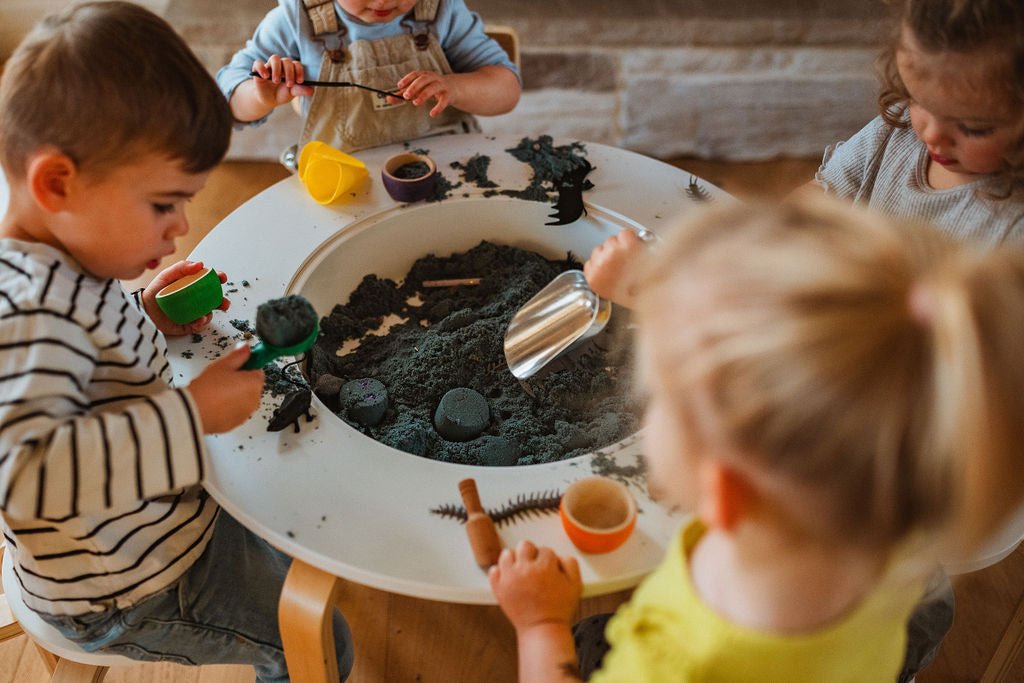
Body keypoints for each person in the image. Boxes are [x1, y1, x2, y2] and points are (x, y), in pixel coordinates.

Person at [489, 195, 1024, 681]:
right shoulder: (893, 515)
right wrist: (648, 284)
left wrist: (540, 624)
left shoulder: (675, 662)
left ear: (722, 490)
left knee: (584, 640)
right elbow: (810, 360)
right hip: (857, 658)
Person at [0, 4, 353, 681]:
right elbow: (26, 474)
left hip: (163, 510)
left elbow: (89, 349)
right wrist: (190, 418)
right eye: (163, 204)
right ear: (56, 183)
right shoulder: (25, 319)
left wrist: (148, 312)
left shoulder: (63, 259)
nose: (181, 225)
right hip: (133, 580)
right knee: (318, 644)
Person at [816, 0, 1024, 246]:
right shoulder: (894, 131)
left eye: (972, 128)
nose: (931, 134)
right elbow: (817, 198)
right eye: (916, 100)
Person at [217, 0, 521, 158]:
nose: (384, 2)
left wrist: (456, 86)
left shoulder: (443, 11)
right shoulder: (296, 19)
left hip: (450, 161)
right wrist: (260, 97)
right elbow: (226, 96)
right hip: (345, 175)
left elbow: (506, 89)